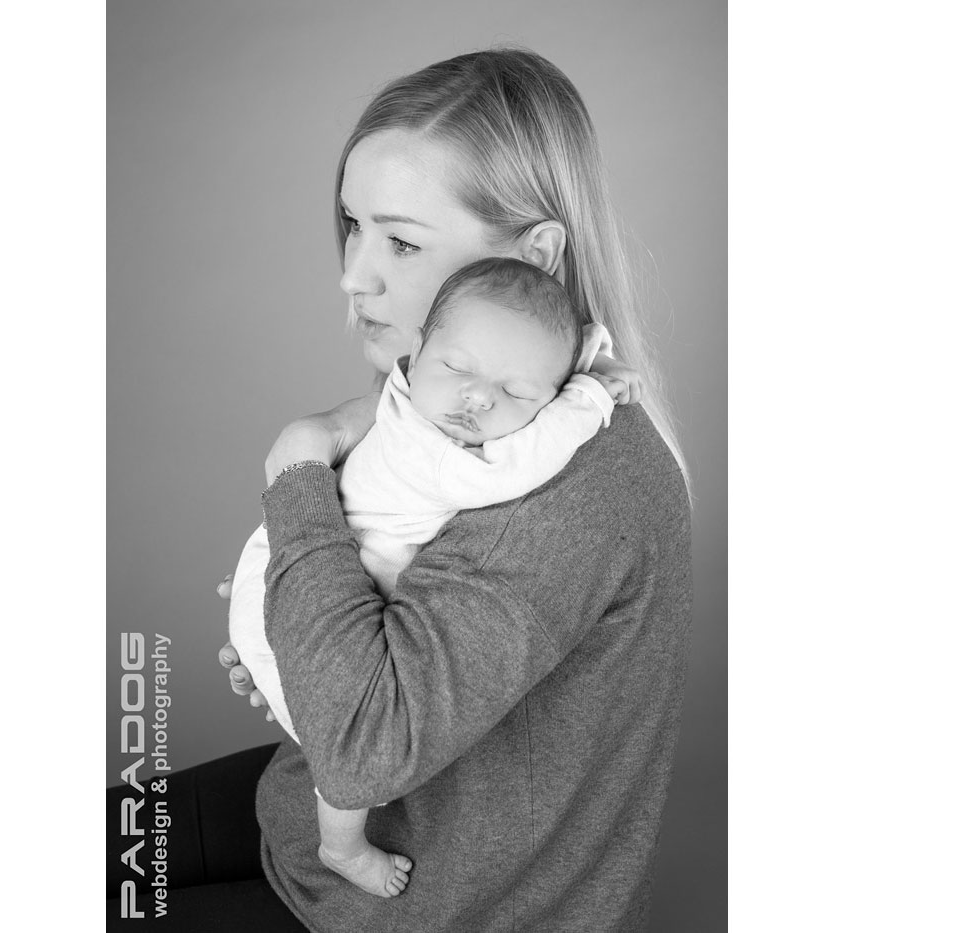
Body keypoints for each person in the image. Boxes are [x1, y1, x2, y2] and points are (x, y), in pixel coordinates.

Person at [110, 48, 692, 932]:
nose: (354, 274)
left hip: (404, 906)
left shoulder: (571, 484)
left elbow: (358, 750)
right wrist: (305, 641)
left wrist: (299, 465)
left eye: (403, 241)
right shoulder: (473, 415)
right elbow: (366, 689)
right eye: (353, 224)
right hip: (315, 824)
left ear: (534, 254)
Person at [227, 256, 640, 899]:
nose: (479, 399)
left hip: (297, 563)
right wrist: (589, 395)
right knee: (348, 745)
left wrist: (592, 359)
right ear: (417, 352)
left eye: (517, 394)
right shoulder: (436, 455)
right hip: (296, 584)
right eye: (458, 369)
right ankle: (341, 846)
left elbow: (511, 358)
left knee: (336, 723)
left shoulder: (406, 394)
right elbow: (512, 466)